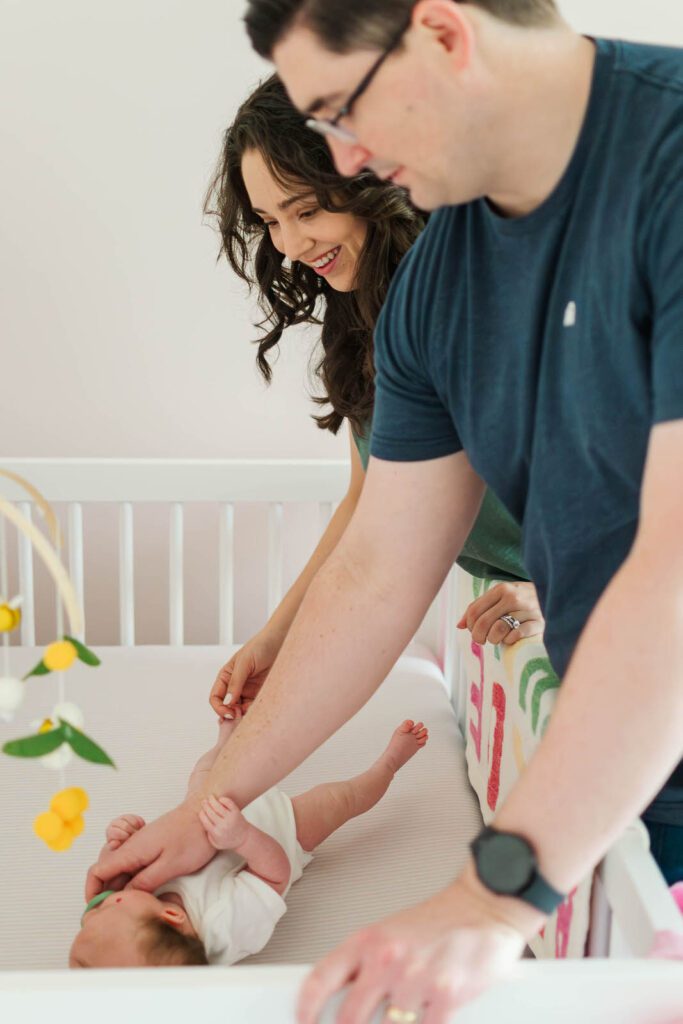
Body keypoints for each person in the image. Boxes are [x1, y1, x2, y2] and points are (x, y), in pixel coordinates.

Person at [87, 3, 683, 1020]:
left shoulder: (661, 168)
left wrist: (488, 901)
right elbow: (375, 569)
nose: (347, 157)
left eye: (339, 113)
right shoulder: (438, 285)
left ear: (442, 34)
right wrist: (206, 804)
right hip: (623, 769)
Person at [202, 74, 543, 722]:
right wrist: (276, 639)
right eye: (270, 221)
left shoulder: (490, 305)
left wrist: (557, 595)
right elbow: (368, 503)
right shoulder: (362, 313)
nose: (290, 246)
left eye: (306, 210)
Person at [71, 707, 429, 967]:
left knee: (203, 772)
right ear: (171, 916)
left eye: (91, 913)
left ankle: (227, 743)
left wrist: (119, 840)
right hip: (279, 828)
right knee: (344, 799)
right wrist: (241, 836)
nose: (100, 903)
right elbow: (275, 874)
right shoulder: (225, 927)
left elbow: (124, 860)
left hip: (206, 807)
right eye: (107, 908)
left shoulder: (132, 903)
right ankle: (388, 765)